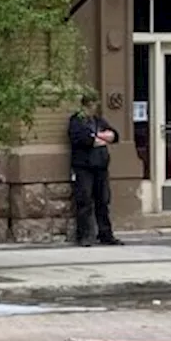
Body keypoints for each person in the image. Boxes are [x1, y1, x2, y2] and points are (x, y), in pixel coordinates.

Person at [68, 94, 123, 247]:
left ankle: (105, 234)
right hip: (84, 168)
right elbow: (84, 139)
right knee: (84, 201)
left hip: (101, 167)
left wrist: (98, 136)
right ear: (84, 106)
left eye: (95, 105)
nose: (93, 109)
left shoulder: (98, 121)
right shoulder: (76, 121)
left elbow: (114, 135)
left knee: (103, 201)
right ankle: (84, 236)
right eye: (90, 106)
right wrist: (98, 139)